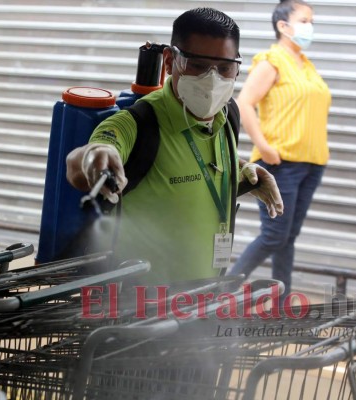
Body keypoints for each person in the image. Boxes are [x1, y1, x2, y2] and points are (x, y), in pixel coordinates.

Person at [65, 7, 283, 285]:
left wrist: (243, 176)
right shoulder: (138, 122)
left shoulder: (228, 115)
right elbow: (84, 161)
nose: (212, 80)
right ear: (170, 61)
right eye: (198, 66)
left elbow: (192, 170)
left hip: (205, 293)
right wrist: (94, 155)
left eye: (225, 68)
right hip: (139, 306)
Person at [226, 0, 331, 303]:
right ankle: (222, 291)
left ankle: (283, 304)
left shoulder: (306, 65)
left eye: (312, 21)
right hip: (281, 163)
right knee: (274, 236)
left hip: (312, 164)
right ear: (283, 26)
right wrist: (264, 146)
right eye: (304, 20)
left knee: (287, 239)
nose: (310, 26)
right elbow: (244, 103)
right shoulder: (271, 61)